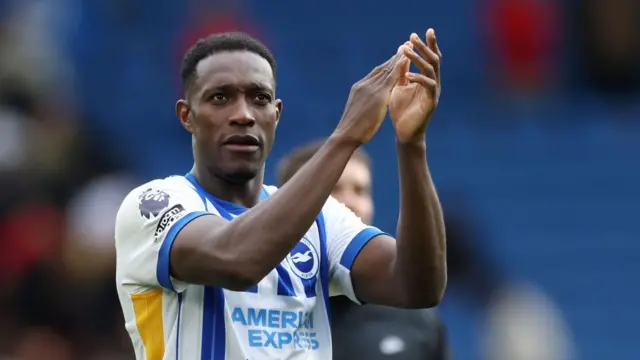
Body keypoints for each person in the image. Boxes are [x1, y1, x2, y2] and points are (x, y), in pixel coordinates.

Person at [114, 30, 446, 360]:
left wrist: (412, 144)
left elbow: (416, 286)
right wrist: (347, 135)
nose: (243, 114)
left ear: (276, 114)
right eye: (220, 97)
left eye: (259, 98)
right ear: (187, 115)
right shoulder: (153, 204)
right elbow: (238, 260)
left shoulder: (322, 218)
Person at [278, 142, 451, 359]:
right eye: (333, 188)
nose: (350, 202)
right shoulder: (258, 304)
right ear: (285, 204)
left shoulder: (417, 318)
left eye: (360, 191)